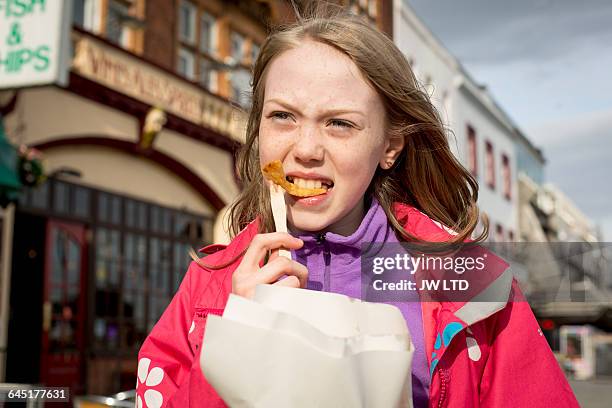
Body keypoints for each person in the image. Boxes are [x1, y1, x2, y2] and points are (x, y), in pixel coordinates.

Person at [135, 8, 579, 408]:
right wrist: (240, 338)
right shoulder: (208, 285)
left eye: (340, 123)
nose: (305, 149)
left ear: (389, 146)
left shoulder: (473, 286)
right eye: (283, 116)